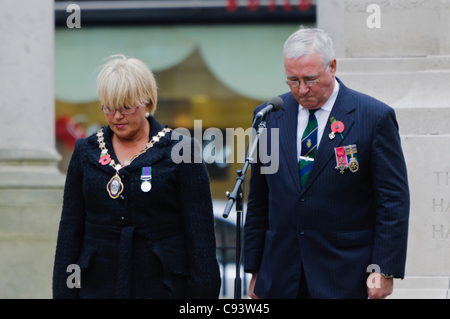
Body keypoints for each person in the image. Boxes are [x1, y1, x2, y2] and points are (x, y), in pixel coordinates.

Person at [244, 28, 410, 299]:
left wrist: (384, 269)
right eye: (292, 80)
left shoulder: (374, 117)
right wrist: (255, 269)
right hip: (281, 274)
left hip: (345, 272)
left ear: (332, 66)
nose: (302, 89)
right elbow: (261, 199)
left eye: (310, 78)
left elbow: (392, 200)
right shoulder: (269, 116)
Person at [53, 55, 221, 299]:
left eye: (126, 107)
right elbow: (70, 230)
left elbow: (201, 239)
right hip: (97, 288)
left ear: (147, 102)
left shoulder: (182, 150)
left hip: (163, 287)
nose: (117, 116)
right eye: (109, 107)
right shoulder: (85, 151)